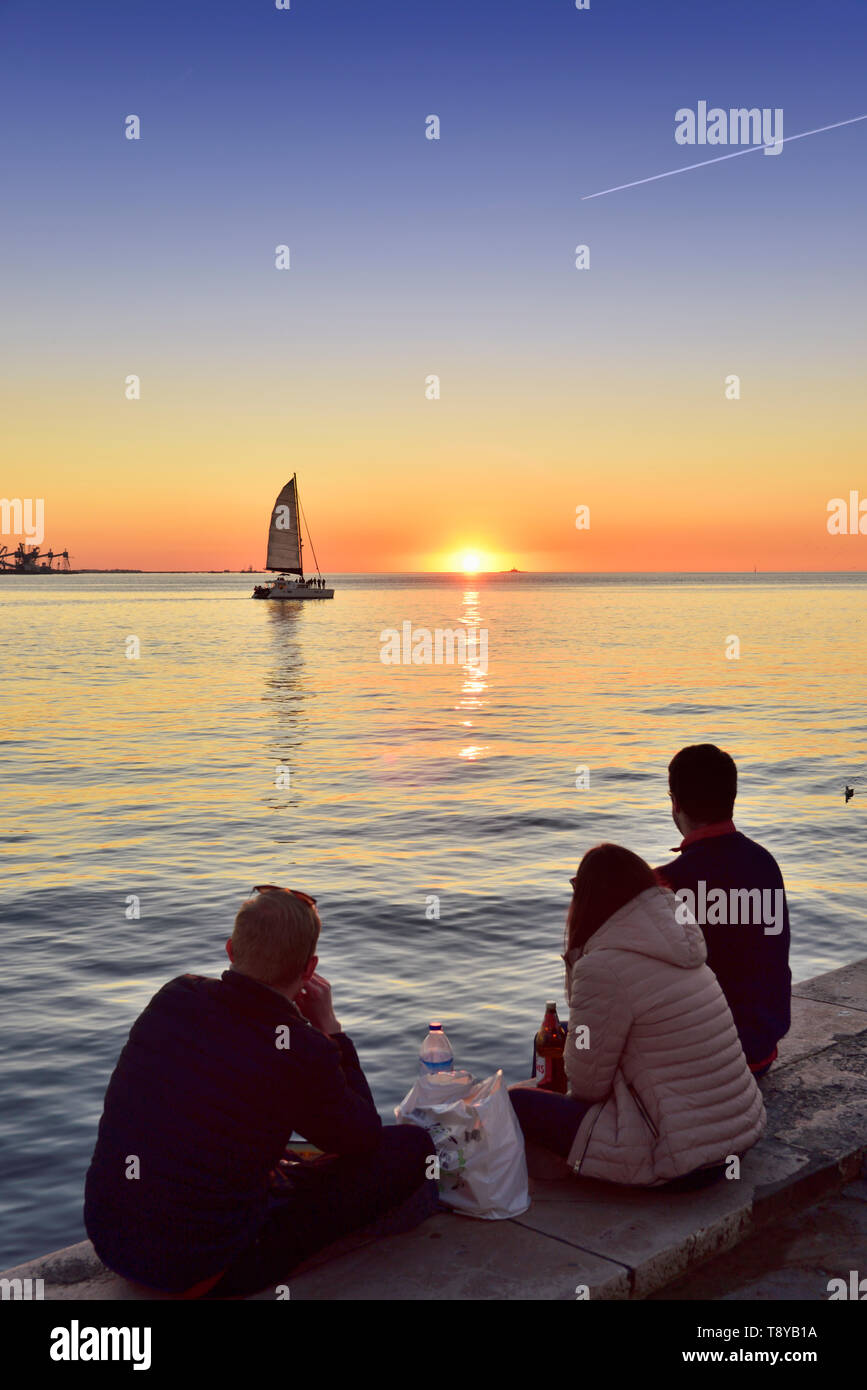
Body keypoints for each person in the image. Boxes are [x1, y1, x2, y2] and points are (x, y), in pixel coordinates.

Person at [84, 886, 436, 1298]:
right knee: (411, 1148)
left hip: (112, 1240)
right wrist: (333, 1033)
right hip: (200, 1270)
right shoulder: (303, 1050)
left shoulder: (174, 997)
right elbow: (363, 1139)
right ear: (309, 970)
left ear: (232, 950)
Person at [509, 845, 766, 1186]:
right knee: (561, 1033)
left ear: (588, 898)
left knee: (512, 1103)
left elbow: (588, 1086)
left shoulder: (602, 968)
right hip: (735, 1138)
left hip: (681, 1160)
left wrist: (577, 963)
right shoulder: (680, 944)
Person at [655, 744, 791, 1077]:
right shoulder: (765, 864)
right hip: (761, 1049)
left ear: (675, 803)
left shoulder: (667, 883)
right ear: (732, 797)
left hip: (704, 1060)